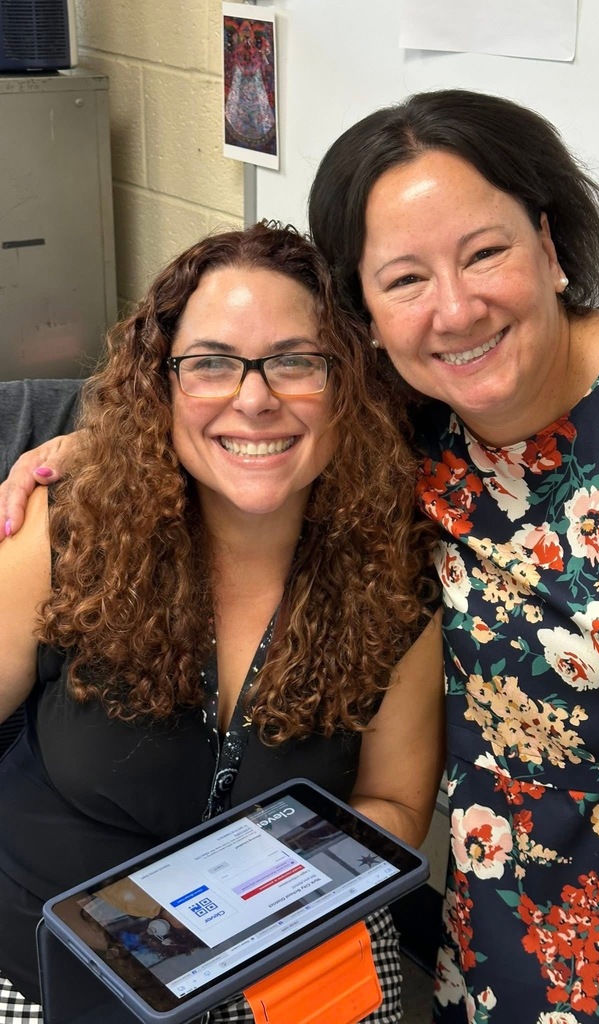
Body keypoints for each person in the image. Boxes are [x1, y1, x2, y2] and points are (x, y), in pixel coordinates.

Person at [5, 88, 599, 1023]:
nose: (453, 308)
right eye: (404, 279)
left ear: (550, 241)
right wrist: (101, 448)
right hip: (507, 948)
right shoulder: (424, 419)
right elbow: (242, 408)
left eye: (484, 252)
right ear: (366, 318)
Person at [0, 221, 444, 1023]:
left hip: (288, 964)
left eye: (296, 361)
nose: (254, 398)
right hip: (39, 962)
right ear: (161, 386)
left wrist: (253, 894)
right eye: (210, 364)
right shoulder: (66, 527)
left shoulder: (397, 580)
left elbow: (396, 807)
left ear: (347, 384)